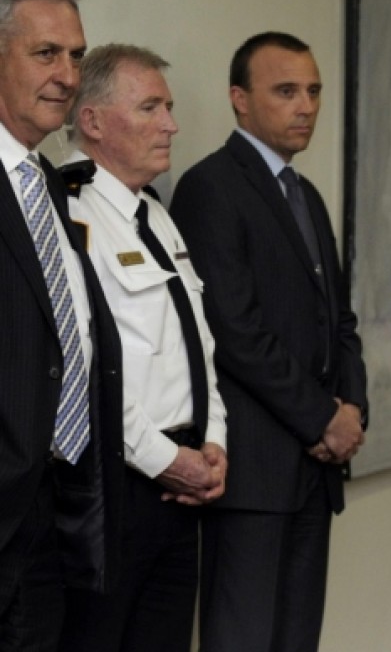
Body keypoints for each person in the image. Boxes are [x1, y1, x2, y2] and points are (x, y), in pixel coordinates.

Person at [170, 31, 368, 652]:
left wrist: (353, 409)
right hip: (254, 473)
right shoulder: (211, 188)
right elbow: (235, 331)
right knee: (243, 638)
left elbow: (339, 321)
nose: (306, 106)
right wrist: (321, 418)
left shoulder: (305, 195)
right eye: (286, 91)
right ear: (240, 99)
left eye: (313, 91)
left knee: (296, 640)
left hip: (314, 471)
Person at [56, 44, 229, 652]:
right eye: (151, 106)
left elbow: (197, 344)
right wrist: (163, 458)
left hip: (183, 485)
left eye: (170, 107)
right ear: (94, 121)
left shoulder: (155, 214)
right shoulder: (66, 213)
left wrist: (213, 443)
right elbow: (78, 372)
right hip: (118, 483)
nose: (172, 124)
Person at [0, 0, 124, 650]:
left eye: (77, 55)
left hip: (56, 518)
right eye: (46, 54)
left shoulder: (46, 179)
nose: (68, 74)